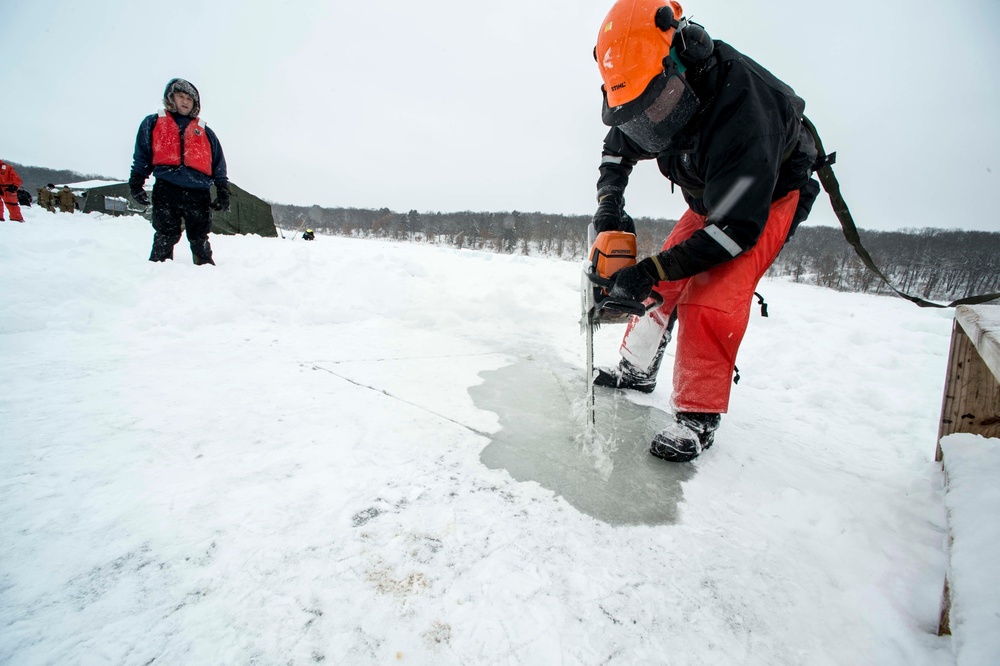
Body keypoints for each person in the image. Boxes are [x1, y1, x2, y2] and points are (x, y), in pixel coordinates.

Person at [591, 0, 820, 462]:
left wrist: (650, 267)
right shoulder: (644, 93)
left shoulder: (744, 114)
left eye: (655, 106)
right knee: (664, 279)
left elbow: (735, 230)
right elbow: (617, 151)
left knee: (713, 293)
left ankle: (697, 416)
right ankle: (637, 369)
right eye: (638, 113)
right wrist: (609, 207)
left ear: (682, 60)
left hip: (764, 199)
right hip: (711, 194)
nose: (649, 121)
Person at [129, 78, 229, 265]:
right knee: (166, 233)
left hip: (198, 191)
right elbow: (142, 154)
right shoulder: (153, 122)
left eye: (189, 99)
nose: (184, 101)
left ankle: (206, 272)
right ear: (170, 98)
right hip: (167, 188)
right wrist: (136, 181)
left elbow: (218, 163)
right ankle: (159, 269)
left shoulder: (205, 131)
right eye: (180, 96)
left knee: (199, 236)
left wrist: (223, 190)